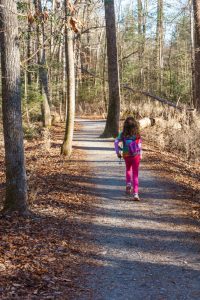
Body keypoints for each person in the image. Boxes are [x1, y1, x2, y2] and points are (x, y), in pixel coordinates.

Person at [114, 117, 142, 201]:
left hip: (126, 155)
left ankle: (128, 184)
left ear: (125, 126)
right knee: (135, 174)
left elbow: (116, 142)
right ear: (135, 125)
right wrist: (140, 154)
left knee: (128, 169)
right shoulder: (137, 134)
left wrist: (118, 151)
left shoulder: (123, 134)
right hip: (135, 155)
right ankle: (136, 193)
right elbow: (139, 145)